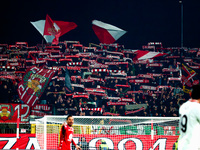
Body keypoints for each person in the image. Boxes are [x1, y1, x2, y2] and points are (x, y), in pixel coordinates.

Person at [178, 85, 200, 150]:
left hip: (182, 145)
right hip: (193, 146)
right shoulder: (197, 107)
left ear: (190, 94)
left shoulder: (183, 106)